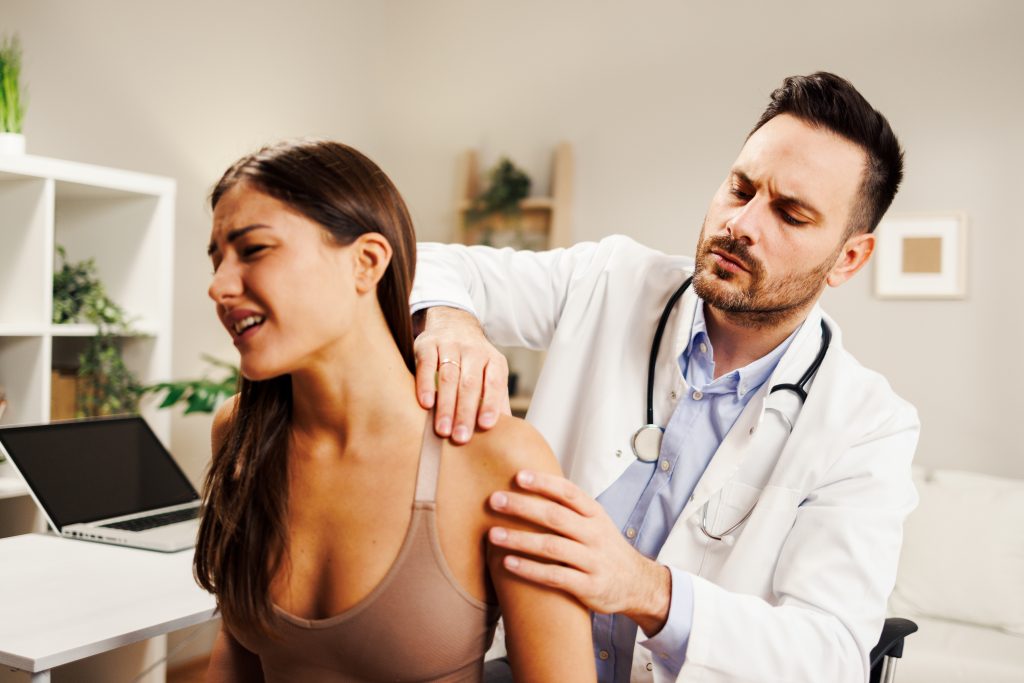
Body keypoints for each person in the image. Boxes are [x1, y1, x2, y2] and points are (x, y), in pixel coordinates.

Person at [410, 73, 920, 682]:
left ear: (848, 259)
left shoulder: (868, 424)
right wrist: (450, 322)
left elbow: (829, 652)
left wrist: (646, 589)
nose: (743, 224)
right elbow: (421, 261)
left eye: (790, 213)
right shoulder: (611, 280)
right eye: (741, 188)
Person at [194, 139, 596, 682]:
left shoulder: (498, 459)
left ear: (366, 262)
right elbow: (238, 656)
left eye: (254, 250)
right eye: (218, 259)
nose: (219, 286)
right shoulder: (239, 434)